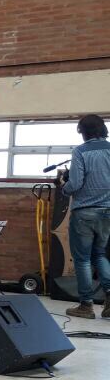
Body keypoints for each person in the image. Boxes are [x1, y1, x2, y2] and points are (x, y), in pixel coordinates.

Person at [57, 114, 110, 319]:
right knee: (100, 255)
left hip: (85, 213)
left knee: (83, 259)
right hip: (107, 212)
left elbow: (76, 184)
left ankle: (86, 305)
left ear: (83, 131)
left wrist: (64, 186)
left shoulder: (80, 151)